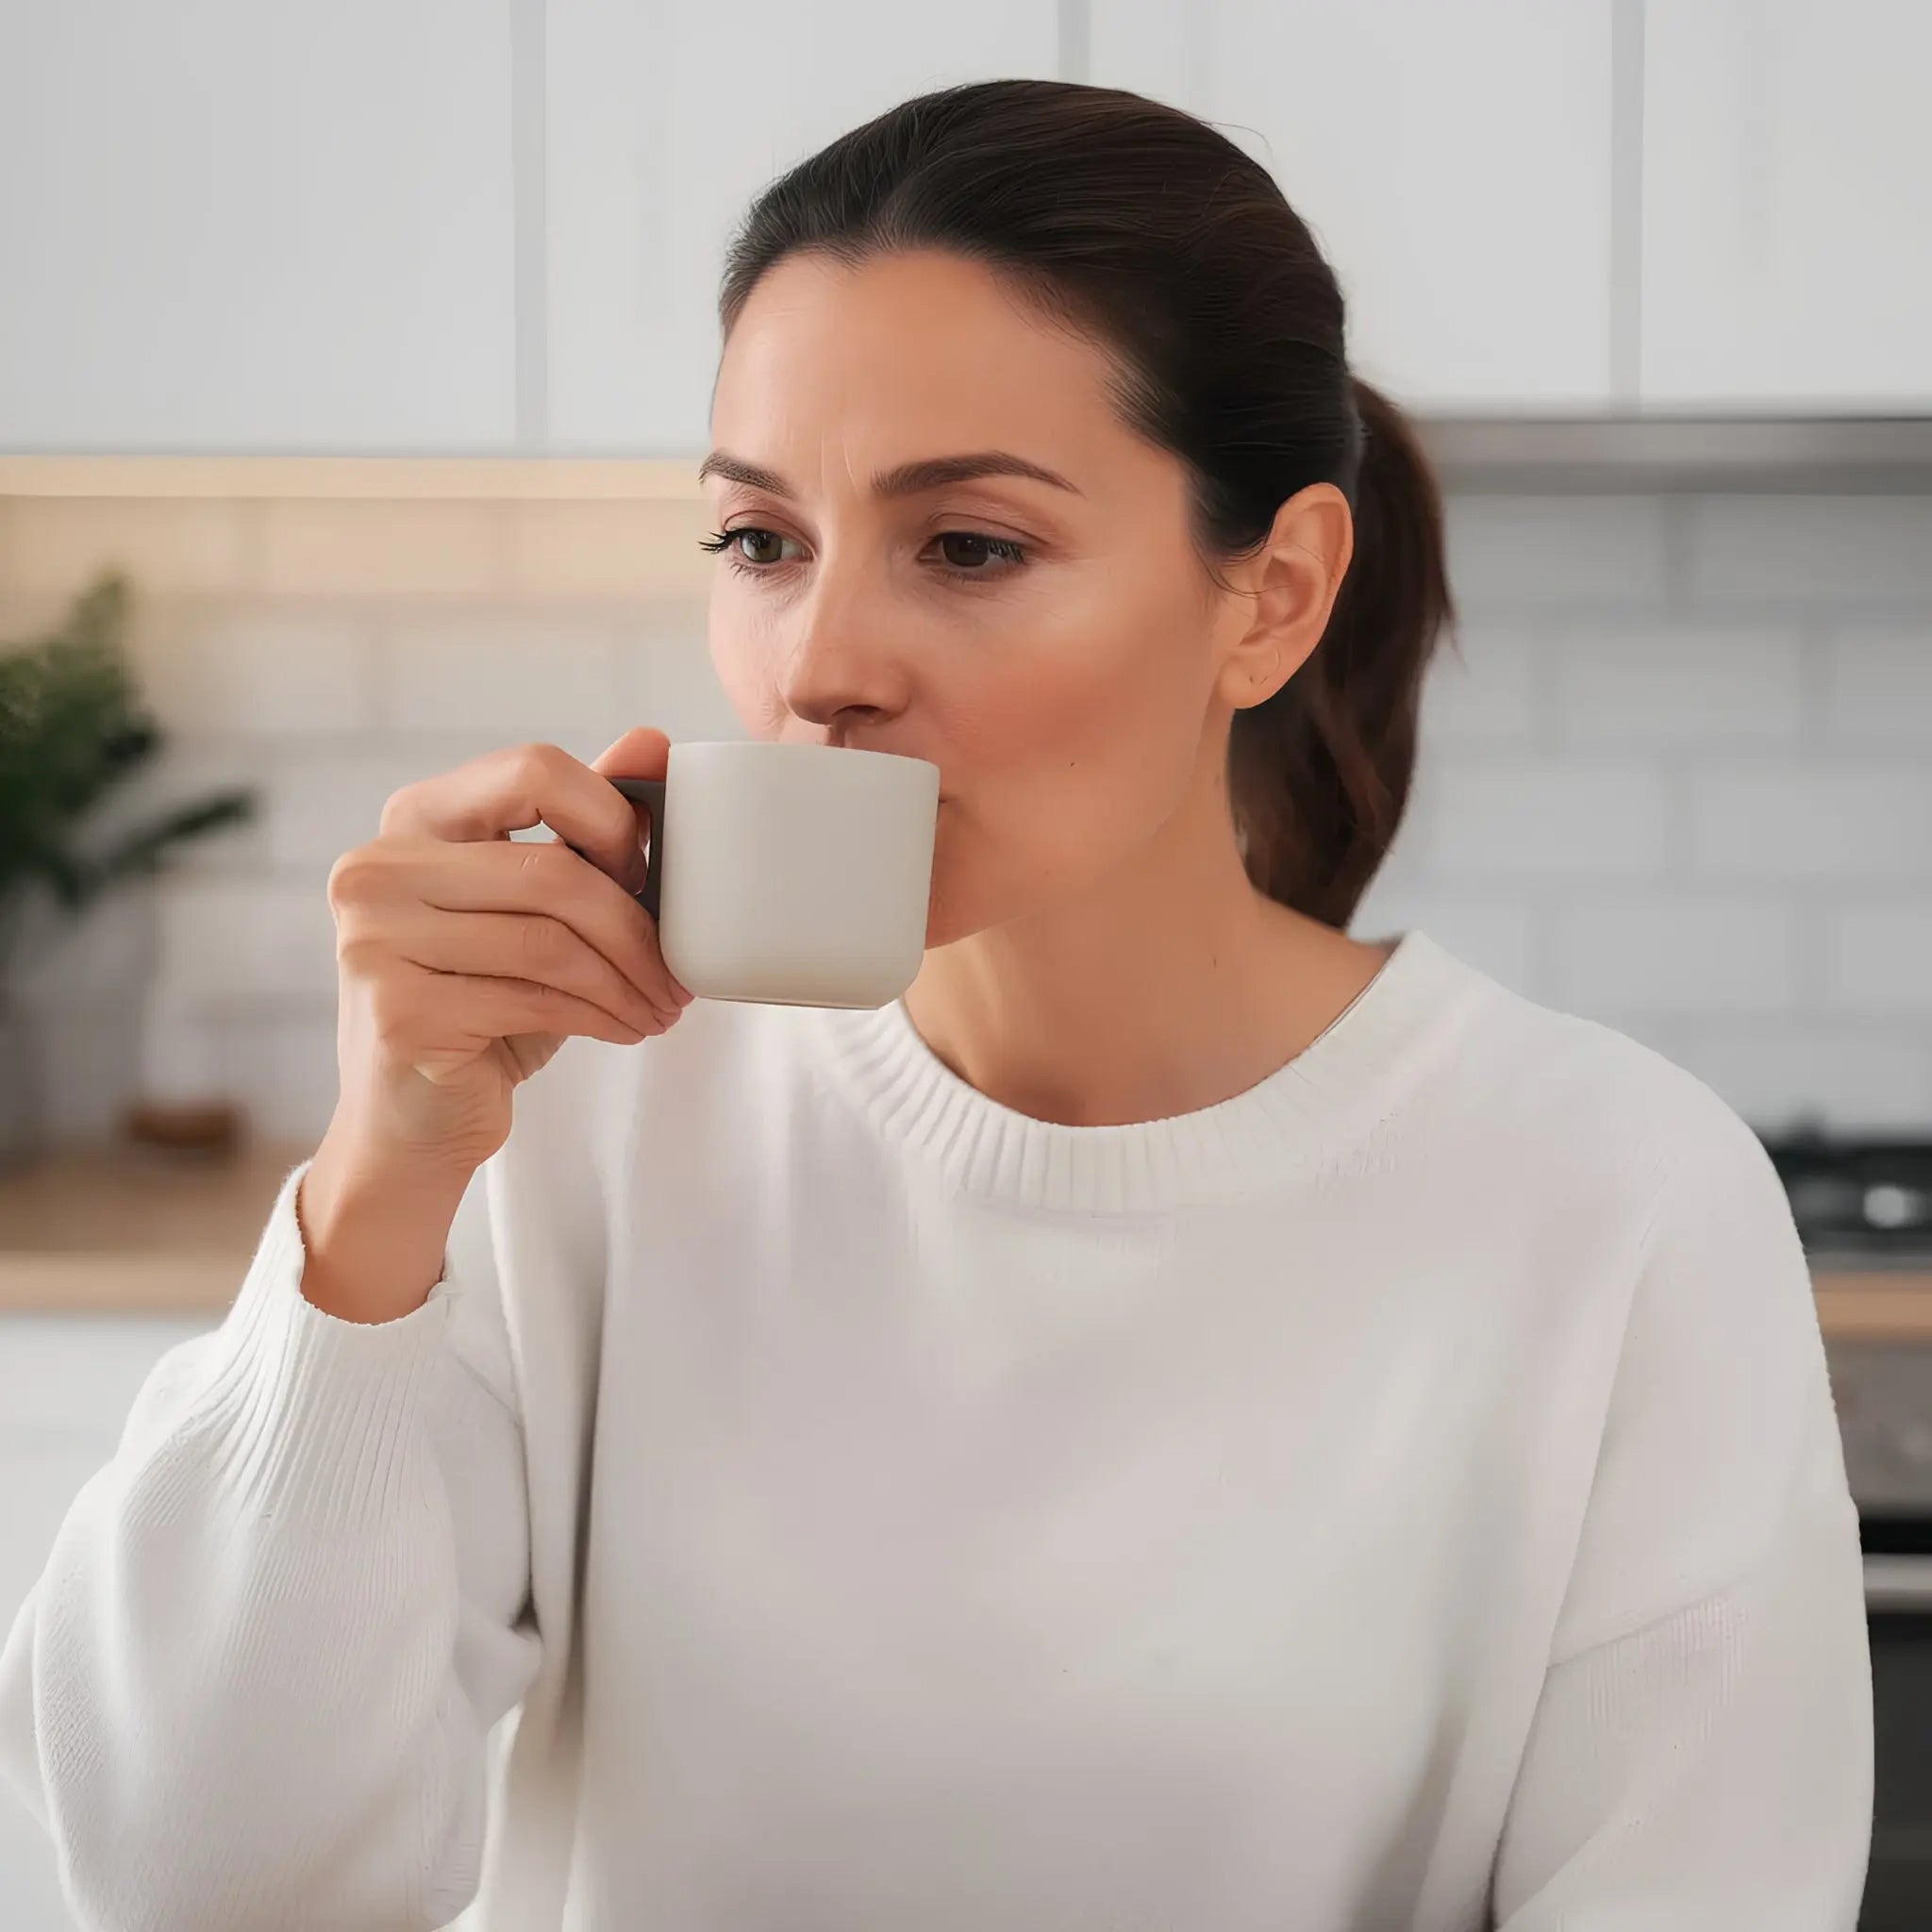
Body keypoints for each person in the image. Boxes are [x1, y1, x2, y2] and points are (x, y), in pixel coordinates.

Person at [0, 77, 1871, 1932]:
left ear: (1274, 594)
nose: (816, 667)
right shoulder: (577, 1117)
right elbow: (195, 1887)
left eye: (967, 546)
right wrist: (377, 1188)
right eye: (758, 541)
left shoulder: (1618, 1206)